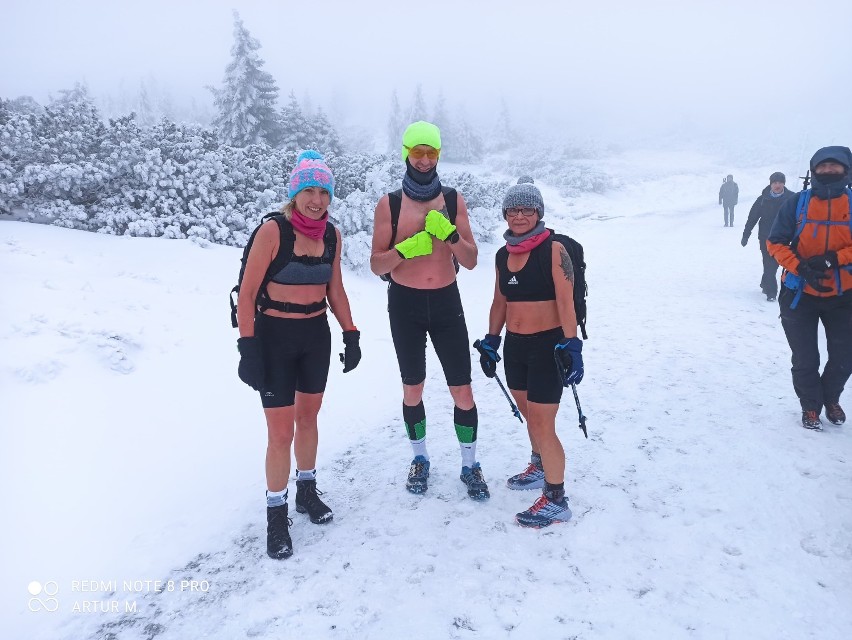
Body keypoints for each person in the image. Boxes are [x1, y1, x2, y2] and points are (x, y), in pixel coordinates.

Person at [236, 150, 361, 559]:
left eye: (323, 191)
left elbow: (335, 289)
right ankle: (276, 516)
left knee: (308, 419)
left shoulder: (332, 235)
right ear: (294, 193)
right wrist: (248, 347)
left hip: (314, 335)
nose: (317, 200)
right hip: (275, 338)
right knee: (280, 433)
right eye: (308, 190)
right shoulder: (273, 231)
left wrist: (351, 332)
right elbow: (248, 293)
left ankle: (306, 491)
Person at [369, 121, 487, 500]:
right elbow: (376, 264)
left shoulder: (452, 200)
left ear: (439, 155)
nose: (423, 160)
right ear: (406, 152)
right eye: (417, 152)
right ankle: (420, 459)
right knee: (413, 388)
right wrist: (406, 249)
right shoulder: (389, 203)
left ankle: (470, 465)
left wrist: (450, 234)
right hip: (404, 305)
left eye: (430, 152)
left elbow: (470, 260)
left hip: (446, 301)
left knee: (462, 392)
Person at [475, 180, 584, 528]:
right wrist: (492, 339)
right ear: (505, 214)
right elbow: (499, 301)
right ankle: (539, 465)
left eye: (527, 210)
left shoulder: (554, 250)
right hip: (516, 347)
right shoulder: (502, 255)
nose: (519, 216)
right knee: (527, 412)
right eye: (513, 210)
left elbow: (566, 303)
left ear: (538, 213)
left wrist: (573, 346)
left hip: (548, 347)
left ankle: (556, 498)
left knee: (542, 421)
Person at [767, 146, 852, 430]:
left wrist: (833, 259)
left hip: (844, 295)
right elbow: (775, 242)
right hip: (798, 294)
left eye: (835, 166)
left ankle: (830, 399)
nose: (828, 170)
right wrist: (800, 267)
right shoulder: (797, 204)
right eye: (823, 166)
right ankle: (811, 407)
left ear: (846, 170)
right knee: (806, 357)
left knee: (844, 356)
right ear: (813, 170)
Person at [741, 172, 795, 301]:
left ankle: (766, 283)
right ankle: (771, 292)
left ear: (784, 183)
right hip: (765, 236)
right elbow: (752, 218)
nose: (777, 185)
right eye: (774, 183)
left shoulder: (791, 198)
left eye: (780, 182)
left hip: (783, 237)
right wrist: (746, 235)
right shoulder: (763, 199)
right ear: (770, 184)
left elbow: (798, 217)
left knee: (774, 263)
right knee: (768, 262)